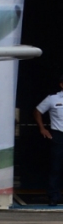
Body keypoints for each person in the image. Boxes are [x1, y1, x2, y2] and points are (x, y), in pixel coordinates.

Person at [34, 75, 63, 206]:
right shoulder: (53, 99)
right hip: (58, 135)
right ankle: (53, 196)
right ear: (61, 85)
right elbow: (37, 111)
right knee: (56, 167)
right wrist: (42, 128)